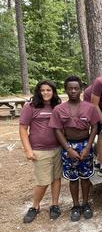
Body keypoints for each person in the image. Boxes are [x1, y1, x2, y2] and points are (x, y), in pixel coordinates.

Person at [49, 76, 100, 222]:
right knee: (73, 178)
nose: (73, 91)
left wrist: (88, 147)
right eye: (70, 88)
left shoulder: (89, 108)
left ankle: (85, 203)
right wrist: (68, 149)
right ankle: (76, 205)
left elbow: (95, 126)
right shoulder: (59, 109)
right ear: (65, 90)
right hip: (68, 146)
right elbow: (57, 130)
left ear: (81, 90)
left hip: (85, 145)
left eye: (76, 88)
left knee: (85, 177)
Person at [19, 80, 62, 223]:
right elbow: (23, 128)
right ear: (38, 91)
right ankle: (35, 206)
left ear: (53, 92)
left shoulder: (57, 106)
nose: (45, 93)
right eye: (42, 90)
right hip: (40, 150)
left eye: (48, 90)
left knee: (56, 178)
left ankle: (54, 205)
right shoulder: (30, 107)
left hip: (57, 148)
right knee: (43, 181)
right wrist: (27, 150)